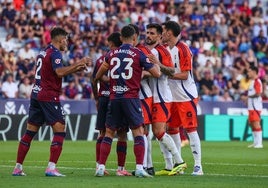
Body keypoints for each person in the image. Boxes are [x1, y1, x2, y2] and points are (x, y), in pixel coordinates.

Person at [12, 27, 91, 177]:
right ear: (60, 39)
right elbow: (59, 72)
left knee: (30, 132)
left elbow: (53, 73)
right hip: (48, 95)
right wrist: (78, 63)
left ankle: (17, 167)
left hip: (36, 94)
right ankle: (51, 168)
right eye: (66, 39)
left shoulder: (43, 51)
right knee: (60, 129)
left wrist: (75, 68)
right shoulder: (56, 53)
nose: (67, 42)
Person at [93, 25, 160, 178]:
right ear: (134, 38)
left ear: (121, 38)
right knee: (139, 132)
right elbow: (156, 73)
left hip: (114, 97)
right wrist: (154, 63)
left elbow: (98, 75)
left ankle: (101, 167)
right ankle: (139, 168)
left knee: (109, 132)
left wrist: (112, 80)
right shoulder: (138, 54)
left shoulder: (112, 53)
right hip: (131, 98)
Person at [161, 20, 203, 175]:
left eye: (163, 31)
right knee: (172, 130)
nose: (161, 34)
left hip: (186, 96)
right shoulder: (165, 49)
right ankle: (180, 165)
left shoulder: (183, 49)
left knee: (191, 130)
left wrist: (166, 74)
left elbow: (185, 75)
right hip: (171, 97)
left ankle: (198, 166)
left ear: (170, 33)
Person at [144, 23, 186, 176]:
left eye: (152, 33)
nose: (148, 35)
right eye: (147, 32)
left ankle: (179, 161)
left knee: (159, 131)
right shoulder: (149, 51)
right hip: (152, 96)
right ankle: (169, 165)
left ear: (160, 36)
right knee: (155, 132)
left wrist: (157, 64)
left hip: (161, 96)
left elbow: (171, 71)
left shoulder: (162, 51)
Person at [92, 32, 131, 176]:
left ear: (111, 43)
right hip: (119, 97)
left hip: (103, 98)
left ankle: (99, 166)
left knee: (103, 132)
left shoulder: (102, 58)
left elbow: (94, 79)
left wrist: (96, 98)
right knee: (121, 134)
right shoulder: (126, 56)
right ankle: (121, 169)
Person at [129, 23, 155, 175]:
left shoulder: (142, 50)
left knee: (142, 131)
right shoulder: (132, 51)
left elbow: (154, 71)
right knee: (141, 132)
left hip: (143, 95)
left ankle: (145, 166)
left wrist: (141, 74)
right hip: (135, 95)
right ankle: (147, 166)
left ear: (135, 37)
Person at [242, 65, 263, 148]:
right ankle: (255, 142)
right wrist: (247, 101)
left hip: (256, 107)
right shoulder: (252, 81)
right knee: (251, 123)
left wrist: (248, 97)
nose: (248, 73)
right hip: (251, 106)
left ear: (254, 72)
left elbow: (258, 93)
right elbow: (251, 94)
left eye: (249, 71)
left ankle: (259, 143)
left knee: (256, 123)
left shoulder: (257, 81)